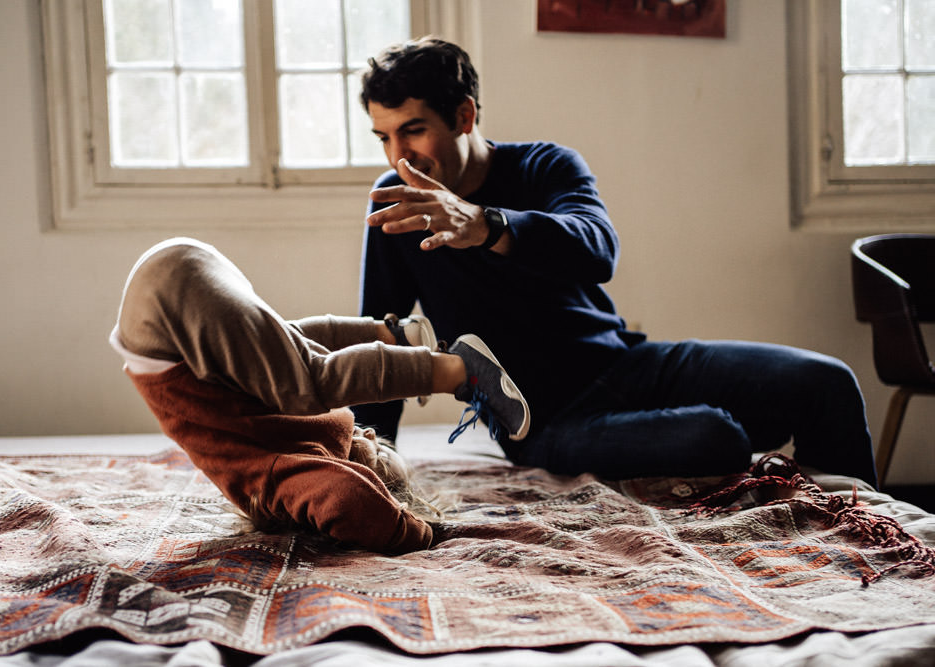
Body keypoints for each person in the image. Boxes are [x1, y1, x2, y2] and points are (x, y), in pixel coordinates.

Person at [353, 37, 879, 488]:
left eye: (414, 130)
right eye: (384, 137)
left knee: (827, 382)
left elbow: (597, 248)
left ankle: (860, 542)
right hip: (545, 421)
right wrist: (374, 458)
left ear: (464, 115)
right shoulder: (395, 202)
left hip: (625, 364)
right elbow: (383, 335)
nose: (399, 154)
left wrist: (487, 226)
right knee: (713, 436)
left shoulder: (545, 165)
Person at [109, 237, 530, 554]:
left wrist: (408, 532)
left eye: (378, 460)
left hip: (163, 317)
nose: (370, 439)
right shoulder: (283, 439)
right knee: (293, 360)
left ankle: (455, 372)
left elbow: (349, 500)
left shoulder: (272, 483)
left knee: (306, 382)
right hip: (172, 289)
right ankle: (400, 339)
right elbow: (297, 346)